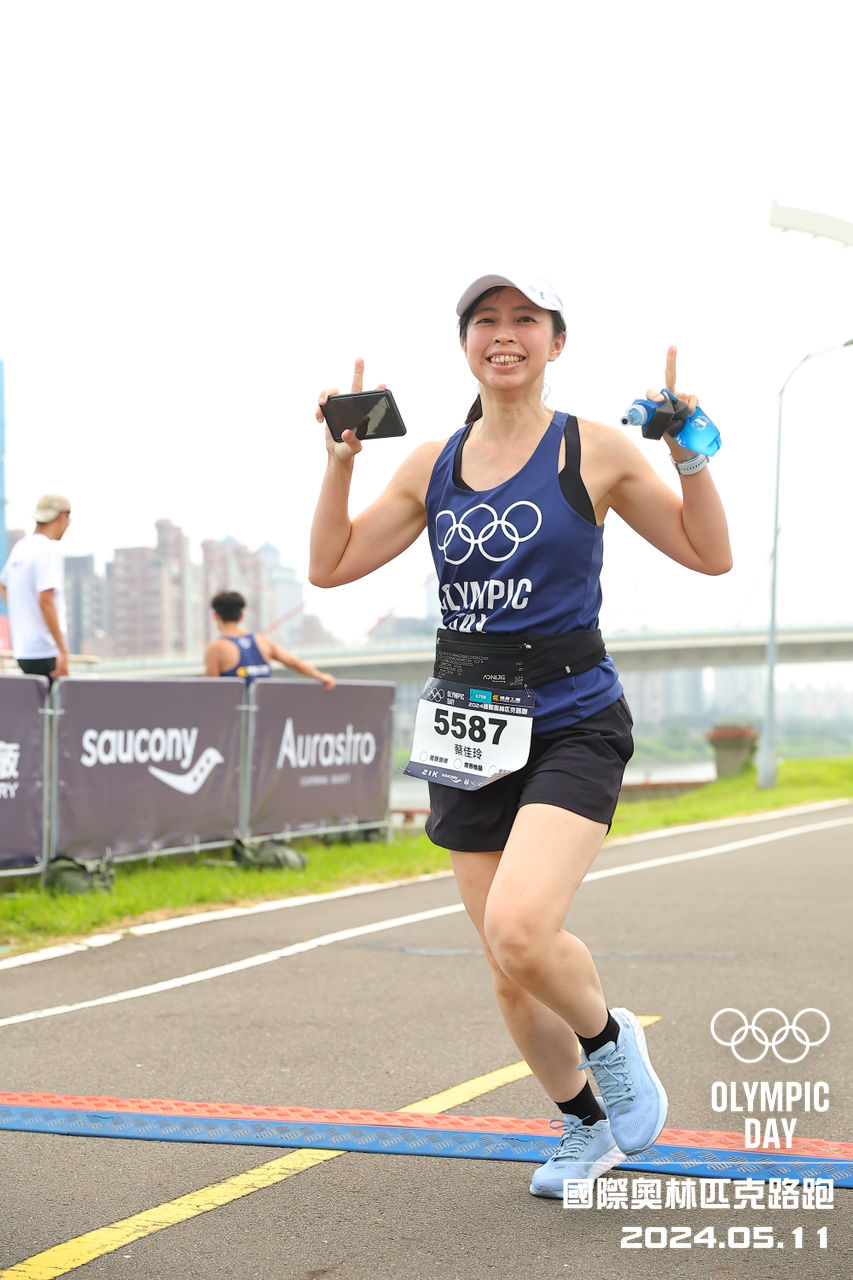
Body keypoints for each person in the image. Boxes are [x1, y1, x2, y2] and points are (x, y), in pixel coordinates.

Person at [308, 273, 732, 1199]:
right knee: (508, 968)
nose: (504, 335)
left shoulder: (594, 447)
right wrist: (339, 460)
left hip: (572, 715)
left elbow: (709, 555)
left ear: (555, 341)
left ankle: (611, 1043)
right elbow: (330, 565)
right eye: (486, 321)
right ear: (465, 343)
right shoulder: (432, 463)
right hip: (466, 720)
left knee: (520, 927)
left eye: (524, 320)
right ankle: (584, 1127)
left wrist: (690, 455)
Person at [0, 493, 72, 683]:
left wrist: (23, 613)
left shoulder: (21, 548)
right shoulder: (48, 550)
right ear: (62, 516)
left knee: (35, 700)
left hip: (24, 650)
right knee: (55, 701)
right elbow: (46, 601)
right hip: (46, 649)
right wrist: (62, 650)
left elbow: (3, 584)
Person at [204, 589, 336, 689]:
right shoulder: (263, 641)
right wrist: (321, 676)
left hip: (236, 716)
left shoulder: (215, 648)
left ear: (215, 616)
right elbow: (296, 664)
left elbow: (212, 691)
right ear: (241, 616)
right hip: (264, 713)